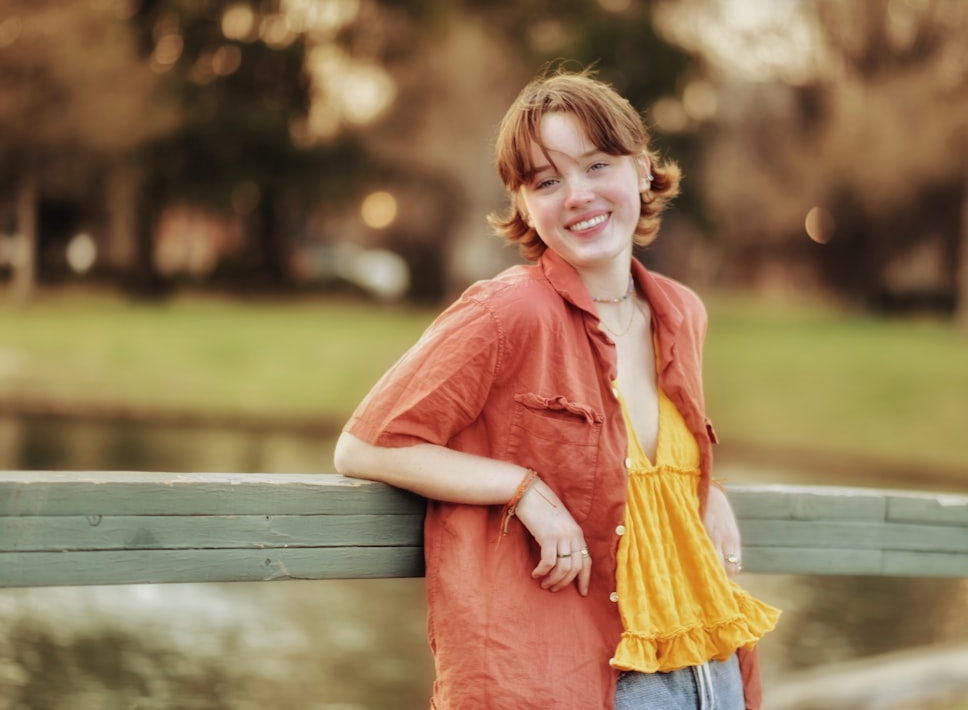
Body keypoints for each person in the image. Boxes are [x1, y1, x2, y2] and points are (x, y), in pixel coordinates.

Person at [334, 66, 780, 710]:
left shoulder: (683, 312)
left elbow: (646, 463)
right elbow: (365, 446)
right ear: (523, 204)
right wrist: (523, 490)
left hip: (714, 669)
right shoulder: (507, 312)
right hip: (597, 677)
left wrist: (701, 489)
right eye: (547, 180)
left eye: (597, 165)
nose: (577, 195)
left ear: (642, 170)